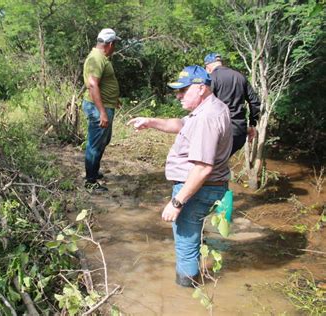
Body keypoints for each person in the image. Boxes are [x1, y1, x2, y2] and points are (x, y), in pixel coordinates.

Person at [127, 66, 232, 287]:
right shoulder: (210, 108)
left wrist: (177, 202)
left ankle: (186, 289)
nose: (178, 95)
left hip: (197, 188)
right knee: (191, 238)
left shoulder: (206, 118)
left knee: (185, 245)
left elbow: (202, 168)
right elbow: (182, 124)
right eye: (177, 91)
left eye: (184, 90)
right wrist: (151, 121)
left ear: (201, 88)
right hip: (209, 187)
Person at [82, 28, 121, 192]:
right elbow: (92, 84)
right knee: (95, 144)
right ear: (110, 44)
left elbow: (102, 83)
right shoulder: (96, 58)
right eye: (115, 44)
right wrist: (102, 112)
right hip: (99, 108)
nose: (115, 47)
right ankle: (90, 182)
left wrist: (114, 99)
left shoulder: (101, 57)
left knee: (103, 141)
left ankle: (93, 172)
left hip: (105, 105)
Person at [204, 53, 261, 156]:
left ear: (208, 66)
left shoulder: (211, 78)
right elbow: (255, 102)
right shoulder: (240, 77)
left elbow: (205, 105)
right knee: (220, 165)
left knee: (209, 166)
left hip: (220, 132)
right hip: (239, 133)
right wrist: (252, 124)